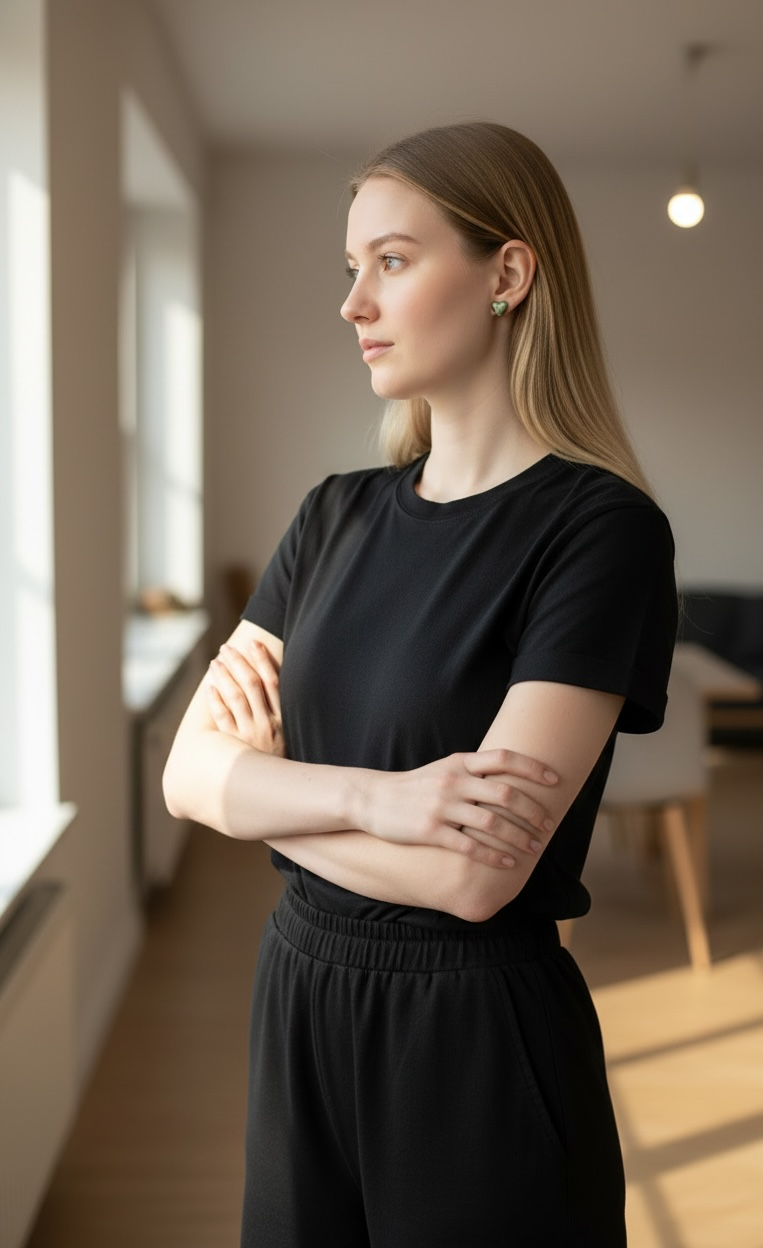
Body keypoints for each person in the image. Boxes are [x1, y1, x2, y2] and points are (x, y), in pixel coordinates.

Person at [163, 120, 677, 1247]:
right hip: (297, 998)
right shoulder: (332, 515)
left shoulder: (601, 533)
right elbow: (186, 774)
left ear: (507, 273)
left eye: (390, 261)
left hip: (475, 1038)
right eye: (351, 269)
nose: (354, 303)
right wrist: (372, 799)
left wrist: (270, 792)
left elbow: (475, 880)